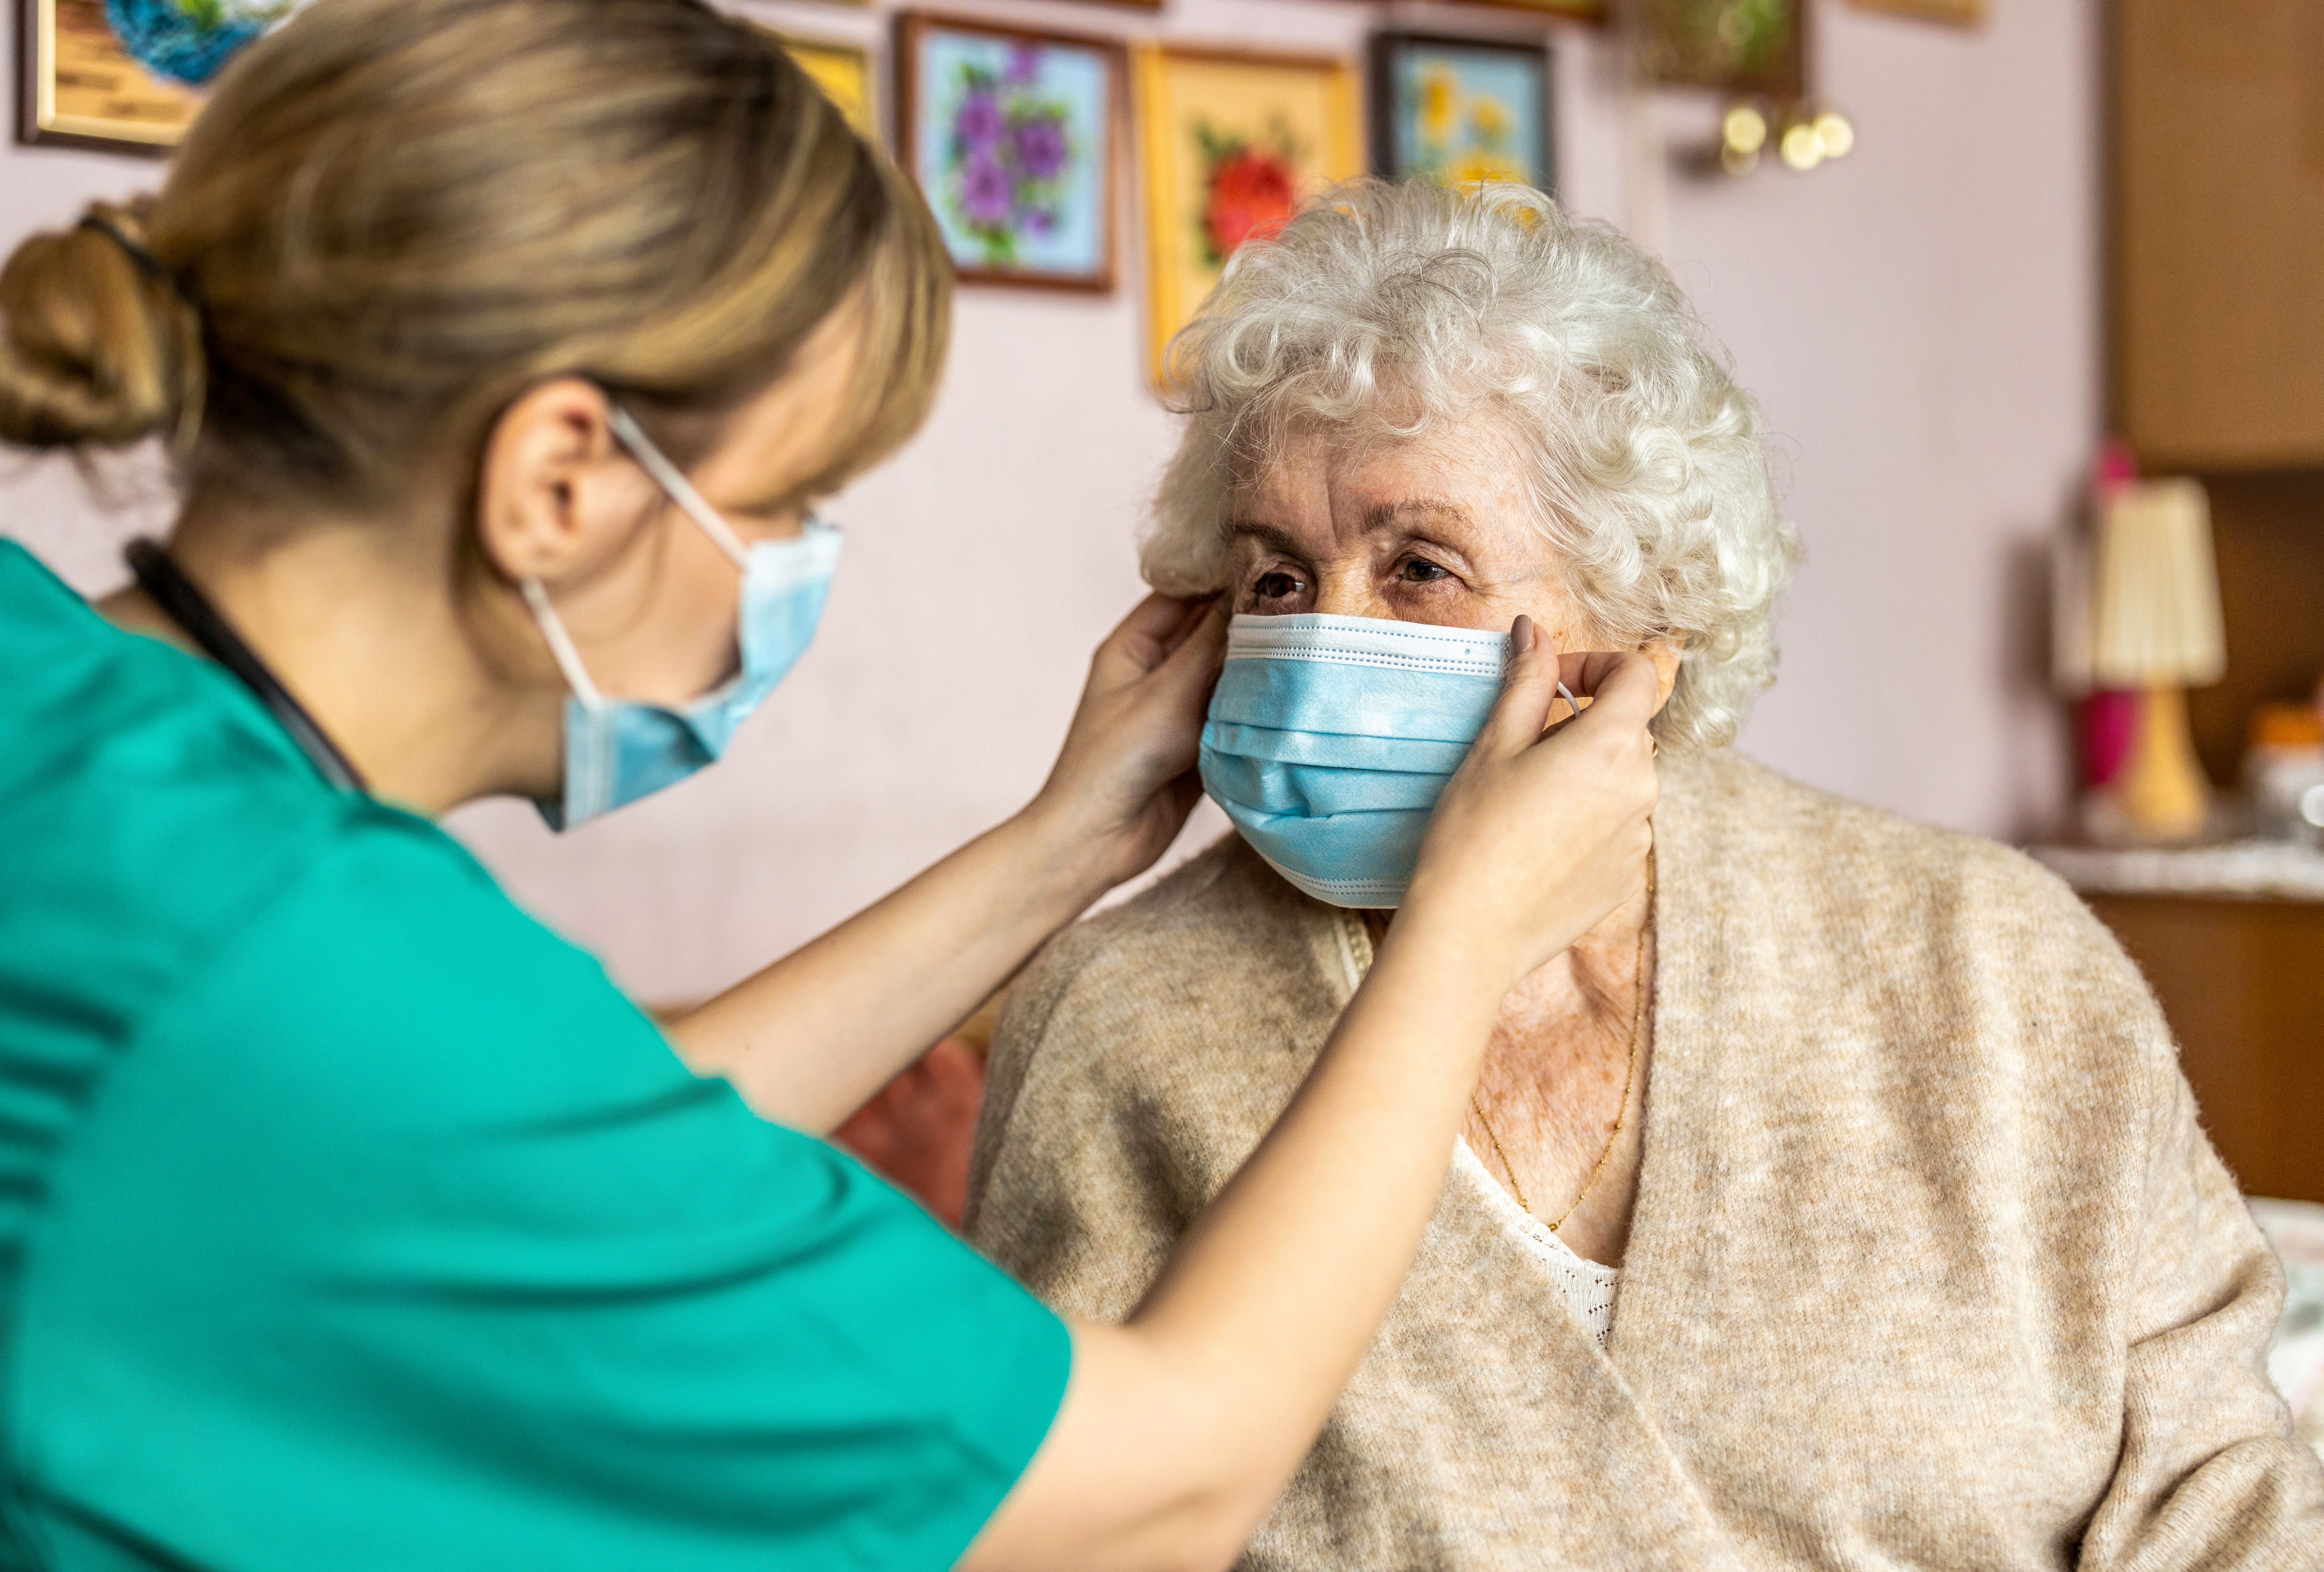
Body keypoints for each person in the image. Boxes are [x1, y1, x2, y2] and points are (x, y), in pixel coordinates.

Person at [0, 7, 1663, 1568]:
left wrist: (1059, 847)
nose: (789, 571)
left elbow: (553, 1149)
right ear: (560, 481)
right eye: (789, 502)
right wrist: (1466, 930)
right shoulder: (304, 969)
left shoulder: (38, 705)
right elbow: (1157, 1481)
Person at [965, 179, 2324, 1569]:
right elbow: (1056, 1532)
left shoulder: (1987, 956)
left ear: (1636, 618)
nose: (1330, 637)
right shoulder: (1119, 1021)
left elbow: (2225, 1488)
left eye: (1419, 564)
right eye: (1277, 579)